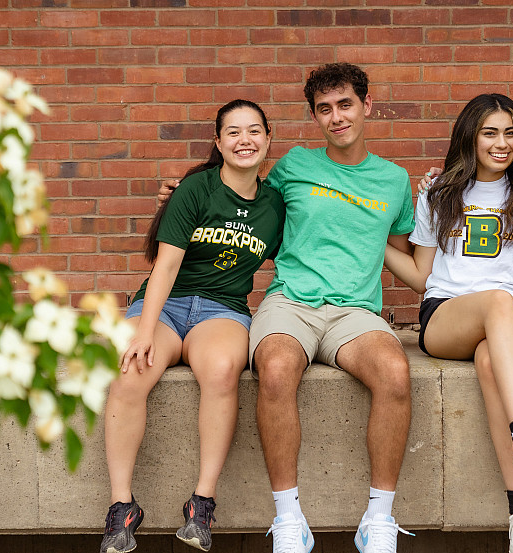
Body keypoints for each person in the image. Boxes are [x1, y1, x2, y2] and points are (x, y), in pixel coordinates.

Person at [159, 63, 416, 553]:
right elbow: (243, 197)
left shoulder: (394, 180)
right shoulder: (295, 164)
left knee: (395, 374)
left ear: (367, 105)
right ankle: (288, 519)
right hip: (290, 301)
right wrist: (182, 195)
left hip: (355, 311)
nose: (337, 117)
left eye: (345, 104)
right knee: (274, 369)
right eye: (325, 109)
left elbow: (399, 251)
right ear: (315, 117)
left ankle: (378, 519)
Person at [388, 94, 513, 553]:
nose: (503, 143)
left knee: (493, 358)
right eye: (490, 133)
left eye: (510, 133)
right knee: (497, 301)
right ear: (470, 137)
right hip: (448, 314)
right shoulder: (439, 193)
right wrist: (365, 238)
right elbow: (418, 276)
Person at [99, 99, 285, 553]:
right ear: (218, 142)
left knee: (222, 372)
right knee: (131, 370)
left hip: (222, 310)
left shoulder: (275, 205)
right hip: (165, 306)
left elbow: (292, 261)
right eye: (234, 132)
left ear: (267, 140)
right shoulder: (196, 189)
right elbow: (164, 268)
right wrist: (143, 330)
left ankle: (201, 504)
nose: (245, 140)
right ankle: (122, 507)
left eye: (255, 131)